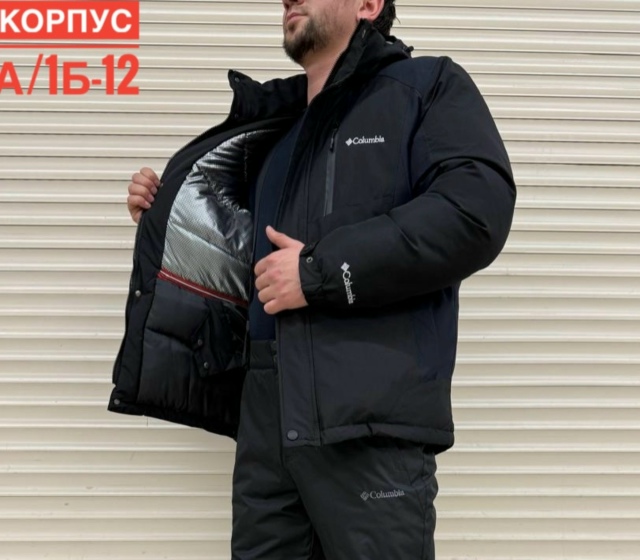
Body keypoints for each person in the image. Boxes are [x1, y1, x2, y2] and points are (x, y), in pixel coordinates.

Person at [113, 0, 516, 558]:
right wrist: (172, 216)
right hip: (266, 416)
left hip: (365, 422)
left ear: (368, 4)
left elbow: (474, 213)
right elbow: (249, 255)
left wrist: (319, 272)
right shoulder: (277, 129)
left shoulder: (424, 88)